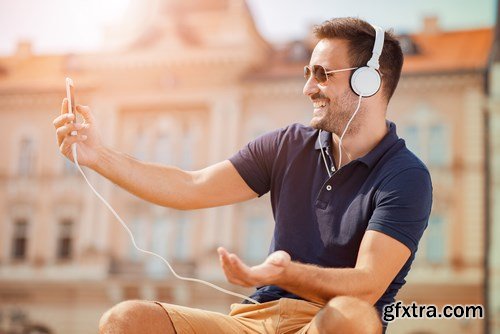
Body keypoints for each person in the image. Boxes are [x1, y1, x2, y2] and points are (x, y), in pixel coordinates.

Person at [53, 17, 432, 334]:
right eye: (307, 72)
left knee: (352, 316)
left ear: (370, 81)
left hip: (325, 322)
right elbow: (191, 186)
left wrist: (286, 274)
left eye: (322, 74)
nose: (308, 87)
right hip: (254, 322)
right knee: (126, 320)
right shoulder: (287, 144)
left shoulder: (405, 175)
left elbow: (366, 286)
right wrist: (97, 156)